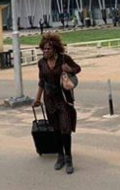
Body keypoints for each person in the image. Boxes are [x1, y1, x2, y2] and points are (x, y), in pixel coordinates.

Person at [33, 34, 81, 175]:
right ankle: (60, 156)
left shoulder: (64, 59)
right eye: (44, 49)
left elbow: (78, 68)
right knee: (56, 130)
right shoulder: (41, 63)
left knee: (65, 128)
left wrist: (69, 69)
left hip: (63, 99)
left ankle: (69, 158)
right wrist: (37, 99)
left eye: (48, 49)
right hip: (49, 99)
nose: (45, 51)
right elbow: (42, 82)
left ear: (55, 49)